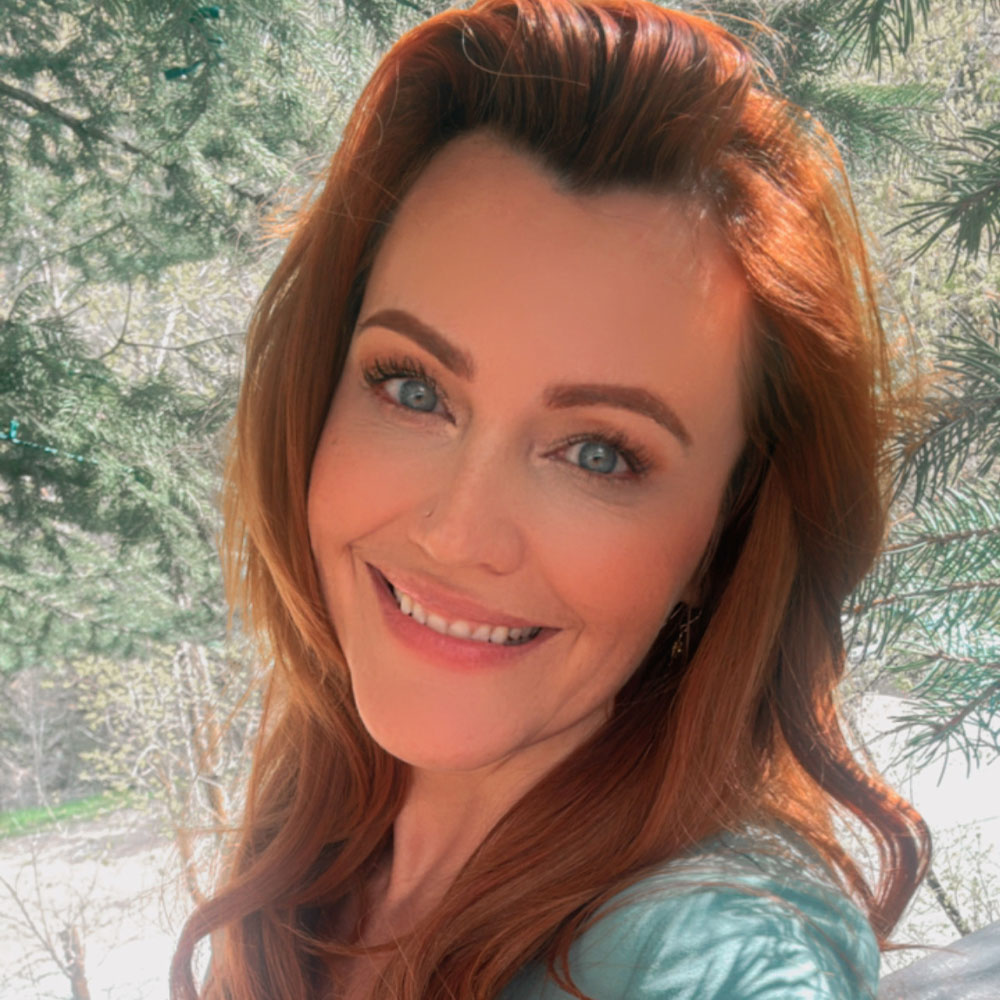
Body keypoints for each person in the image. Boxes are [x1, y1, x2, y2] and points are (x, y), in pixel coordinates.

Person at [171, 1, 931, 998]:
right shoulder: (322, 837)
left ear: (722, 533)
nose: (455, 531)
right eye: (412, 388)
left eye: (599, 454)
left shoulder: (703, 948)